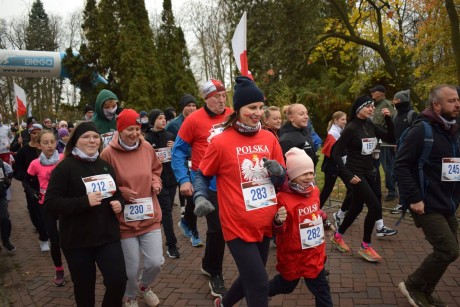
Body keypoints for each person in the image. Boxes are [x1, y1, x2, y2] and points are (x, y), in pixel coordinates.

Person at [195, 76, 285, 307]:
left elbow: (281, 179)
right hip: (237, 225)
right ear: (238, 109)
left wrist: (279, 173)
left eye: (260, 107)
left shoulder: (269, 137)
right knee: (259, 285)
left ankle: (223, 304)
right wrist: (200, 196)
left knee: (250, 278)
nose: (257, 112)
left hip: (265, 224)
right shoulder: (221, 142)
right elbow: (203, 174)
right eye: (251, 107)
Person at [44, 121, 127, 306]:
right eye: (86, 137)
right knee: (84, 290)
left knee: (118, 281)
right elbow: (50, 203)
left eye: (95, 137)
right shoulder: (65, 168)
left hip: (107, 236)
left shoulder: (105, 166)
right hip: (77, 240)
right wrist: (83, 201)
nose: (92, 140)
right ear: (75, 141)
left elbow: (117, 194)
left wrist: (119, 203)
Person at [395, 84, 459, 307]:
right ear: (437, 105)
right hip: (426, 203)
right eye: (451, 101)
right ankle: (413, 285)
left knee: (451, 251)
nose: (457, 104)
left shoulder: (452, 131)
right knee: (447, 249)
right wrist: (414, 198)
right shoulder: (421, 130)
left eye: (458, 100)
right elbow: (400, 166)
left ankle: (426, 291)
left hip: (447, 203)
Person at [171, 79, 232, 297]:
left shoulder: (232, 115)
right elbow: (177, 152)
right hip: (205, 181)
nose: (222, 99)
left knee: (227, 227)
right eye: (217, 96)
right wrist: (183, 179)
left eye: (224, 95)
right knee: (218, 228)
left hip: (231, 181)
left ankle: (207, 263)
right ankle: (215, 273)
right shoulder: (194, 120)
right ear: (206, 98)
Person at [101, 109, 163, 307]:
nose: (134, 133)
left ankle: (144, 287)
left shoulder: (146, 147)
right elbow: (103, 184)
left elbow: (155, 170)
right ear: (119, 130)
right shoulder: (108, 154)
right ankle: (130, 296)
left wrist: (156, 182)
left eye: (137, 128)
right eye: (129, 129)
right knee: (130, 268)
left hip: (149, 214)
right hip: (124, 220)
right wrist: (121, 193)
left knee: (156, 262)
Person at [330, 95, 396, 262]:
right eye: (369, 106)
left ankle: (337, 236)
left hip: (369, 172)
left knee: (357, 207)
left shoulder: (370, 125)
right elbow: (335, 152)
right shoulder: (351, 128)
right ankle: (365, 246)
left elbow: (391, 138)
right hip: (356, 173)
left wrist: (388, 119)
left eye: (373, 106)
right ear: (359, 108)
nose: (372, 108)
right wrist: (347, 174)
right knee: (374, 206)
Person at [268, 148, 333, 307]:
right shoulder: (283, 198)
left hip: (313, 253)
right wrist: (278, 221)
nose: (309, 177)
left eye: (311, 173)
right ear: (292, 175)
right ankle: (258, 292)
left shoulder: (314, 191)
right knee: (286, 286)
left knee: (322, 291)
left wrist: (323, 218)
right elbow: (277, 231)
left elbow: (315, 210)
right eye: (304, 173)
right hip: (293, 255)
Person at [26, 130, 65, 286]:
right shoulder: (35, 164)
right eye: (46, 142)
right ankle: (59, 270)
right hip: (46, 205)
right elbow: (26, 181)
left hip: (64, 204)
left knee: (68, 239)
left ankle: (77, 268)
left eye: (52, 142)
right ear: (39, 145)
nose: (50, 145)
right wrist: (33, 193)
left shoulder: (63, 159)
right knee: (54, 241)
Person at [144, 109, 181, 259]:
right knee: (166, 212)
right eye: (160, 118)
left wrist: (174, 148)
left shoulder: (171, 136)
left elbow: (179, 156)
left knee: (166, 211)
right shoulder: (147, 139)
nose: (163, 120)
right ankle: (171, 245)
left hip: (171, 179)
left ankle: (154, 234)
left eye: (164, 118)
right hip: (157, 181)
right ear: (153, 121)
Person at [13, 123, 50, 251]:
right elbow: (17, 171)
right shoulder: (23, 151)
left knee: (50, 212)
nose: (37, 134)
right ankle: (44, 238)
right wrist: (30, 176)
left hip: (49, 186)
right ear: (30, 134)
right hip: (33, 187)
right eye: (34, 132)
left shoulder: (47, 149)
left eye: (39, 132)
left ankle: (50, 233)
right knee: (36, 214)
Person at [166, 94, 198, 220]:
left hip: (196, 160)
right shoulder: (174, 124)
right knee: (187, 190)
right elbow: (165, 136)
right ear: (182, 107)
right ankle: (186, 214)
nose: (191, 108)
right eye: (188, 105)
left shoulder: (198, 120)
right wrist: (171, 145)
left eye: (194, 105)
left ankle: (188, 217)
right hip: (182, 162)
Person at [390, 89, 418, 214]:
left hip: (412, 153)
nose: (393, 101)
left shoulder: (412, 114)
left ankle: (414, 202)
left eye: (395, 99)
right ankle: (403, 203)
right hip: (398, 152)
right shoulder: (395, 115)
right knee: (400, 176)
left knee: (412, 176)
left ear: (400, 100)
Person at [370, 84, 397, 201]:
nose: (371, 93)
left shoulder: (387, 104)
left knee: (387, 166)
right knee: (374, 165)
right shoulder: (373, 105)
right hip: (375, 139)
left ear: (380, 93)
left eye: (373, 91)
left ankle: (392, 191)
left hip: (385, 140)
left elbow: (392, 121)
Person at [319, 111, 347, 208]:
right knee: (327, 190)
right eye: (342, 119)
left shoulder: (341, 131)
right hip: (332, 166)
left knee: (352, 188)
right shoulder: (332, 133)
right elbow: (331, 151)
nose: (345, 121)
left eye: (345, 119)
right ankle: (316, 210)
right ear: (336, 121)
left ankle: (344, 210)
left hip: (341, 165)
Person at [279, 103, 318, 168]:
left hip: (310, 174)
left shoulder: (306, 131)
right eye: (301, 114)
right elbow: (284, 165)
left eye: (306, 113)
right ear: (291, 118)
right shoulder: (286, 139)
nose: (306, 117)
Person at [0, 158, 14, 252]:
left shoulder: (1, 162)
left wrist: (6, 182)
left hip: (0, 196)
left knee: (4, 218)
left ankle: (6, 241)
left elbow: (10, 172)